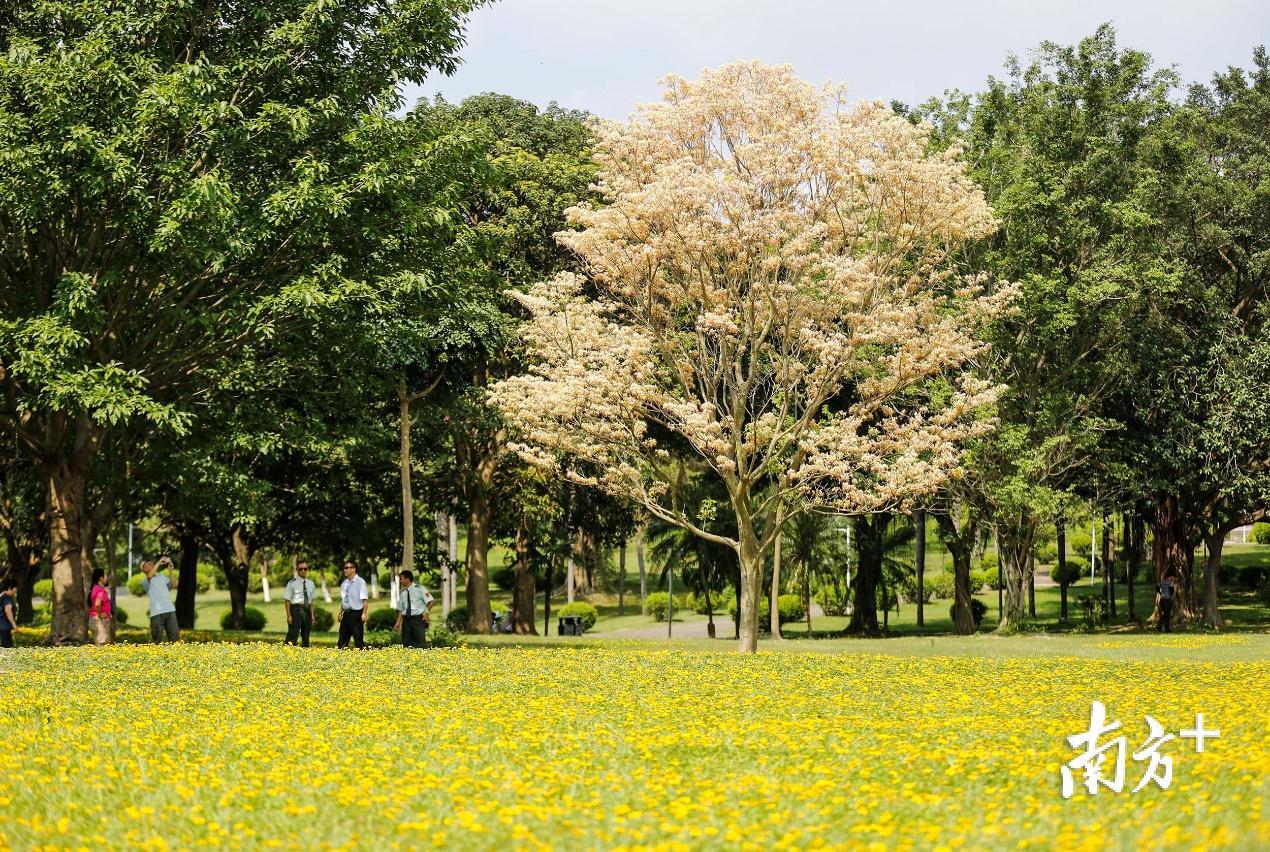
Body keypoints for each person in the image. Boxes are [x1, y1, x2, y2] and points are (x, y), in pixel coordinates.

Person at [140, 557, 180, 643]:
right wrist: (159, 562)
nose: (152, 564)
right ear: (144, 569)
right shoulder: (144, 581)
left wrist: (170, 570)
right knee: (156, 641)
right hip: (156, 613)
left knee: (175, 640)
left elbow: (173, 585)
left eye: (152, 563)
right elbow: (150, 576)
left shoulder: (162, 576)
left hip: (170, 610)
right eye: (149, 564)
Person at [393, 570, 434, 648]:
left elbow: (431, 601)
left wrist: (426, 613)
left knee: (420, 643)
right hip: (406, 621)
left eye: (401, 579)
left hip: (418, 620)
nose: (400, 581)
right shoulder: (403, 593)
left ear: (407, 579)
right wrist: (398, 623)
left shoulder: (419, 589)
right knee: (406, 643)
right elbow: (401, 610)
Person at [284, 561, 318, 647]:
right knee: (293, 632)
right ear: (297, 570)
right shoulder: (292, 583)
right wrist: (289, 615)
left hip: (307, 609)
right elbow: (287, 600)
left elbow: (311, 601)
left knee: (306, 633)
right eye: (300, 569)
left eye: (305, 569)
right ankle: (288, 651)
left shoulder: (311, 583)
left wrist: (312, 615)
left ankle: (305, 651)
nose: (303, 571)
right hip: (295, 609)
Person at [337, 561, 368, 649]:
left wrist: (364, 613)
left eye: (347, 568)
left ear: (353, 569)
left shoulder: (360, 582)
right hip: (346, 614)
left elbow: (365, 600)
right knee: (341, 641)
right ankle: (340, 659)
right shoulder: (344, 584)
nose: (345, 570)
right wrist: (340, 613)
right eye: (344, 568)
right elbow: (344, 601)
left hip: (357, 614)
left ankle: (363, 660)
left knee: (358, 640)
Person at [88, 568, 113, 645]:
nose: (107, 578)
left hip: (94, 619)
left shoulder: (95, 588)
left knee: (98, 645)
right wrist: (100, 615)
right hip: (100, 621)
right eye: (105, 575)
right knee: (102, 646)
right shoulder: (100, 590)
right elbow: (97, 604)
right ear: (101, 578)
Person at [0, 578, 17, 648]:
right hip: (4, 627)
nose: (16, 590)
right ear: (10, 588)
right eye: (15, 588)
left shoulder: (2, 596)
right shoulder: (7, 598)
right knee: (8, 648)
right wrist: (14, 624)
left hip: (2, 626)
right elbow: (8, 610)